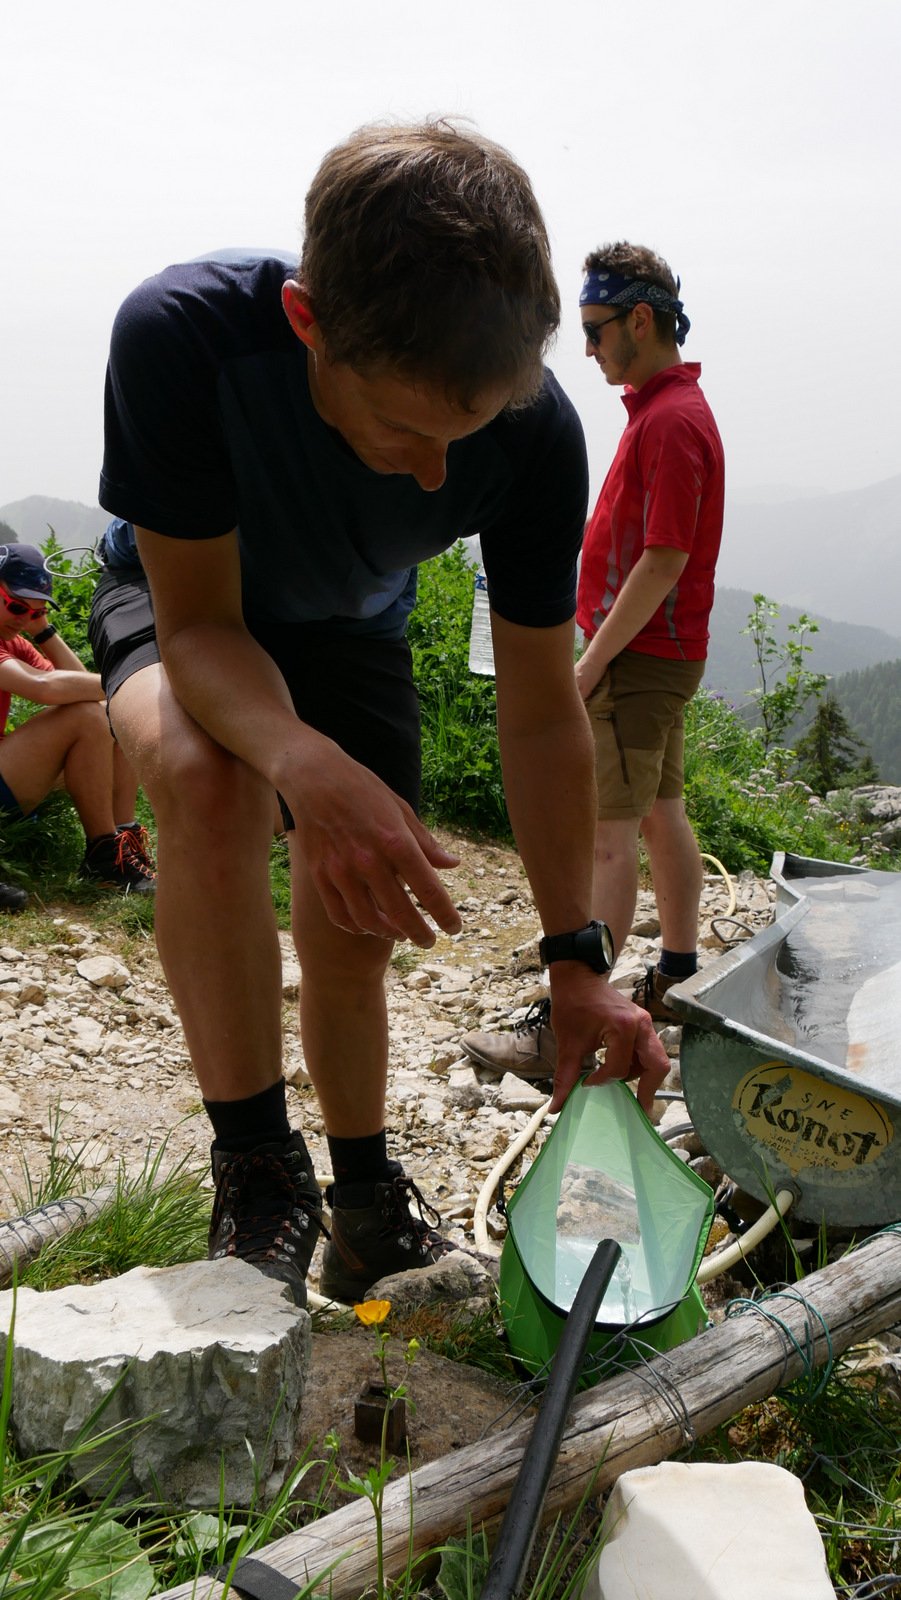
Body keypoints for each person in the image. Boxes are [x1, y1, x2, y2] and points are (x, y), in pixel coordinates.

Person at [89, 123, 669, 1310]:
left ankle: (361, 1203)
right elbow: (200, 632)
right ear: (309, 324)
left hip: (349, 628)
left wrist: (575, 960)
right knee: (211, 779)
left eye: (463, 438)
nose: (428, 479)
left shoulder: (532, 434)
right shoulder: (183, 338)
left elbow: (541, 711)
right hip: (186, 595)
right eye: (403, 431)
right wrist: (303, 761)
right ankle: (257, 1171)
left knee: (356, 917)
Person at [462, 241, 724, 1078]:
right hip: (662, 653)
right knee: (659, 812)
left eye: (596, 328)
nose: (586, 349)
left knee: (606, 838)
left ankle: (571, 1015)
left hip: (639, 655)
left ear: (639, 320)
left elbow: (663, 558)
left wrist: (587, 664)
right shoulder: (664, 410)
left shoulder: (671, 421)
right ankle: (676, 974)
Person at [0, 543, 156, 902]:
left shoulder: (14, 638)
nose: (23, 619)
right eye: (16, 607)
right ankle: (104, 859)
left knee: (114, 711)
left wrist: (43, 632)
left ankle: (122, 840)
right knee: (93, 714)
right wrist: (133, 681)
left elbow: (81, 685)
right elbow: (41, 687)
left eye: (33, 611)